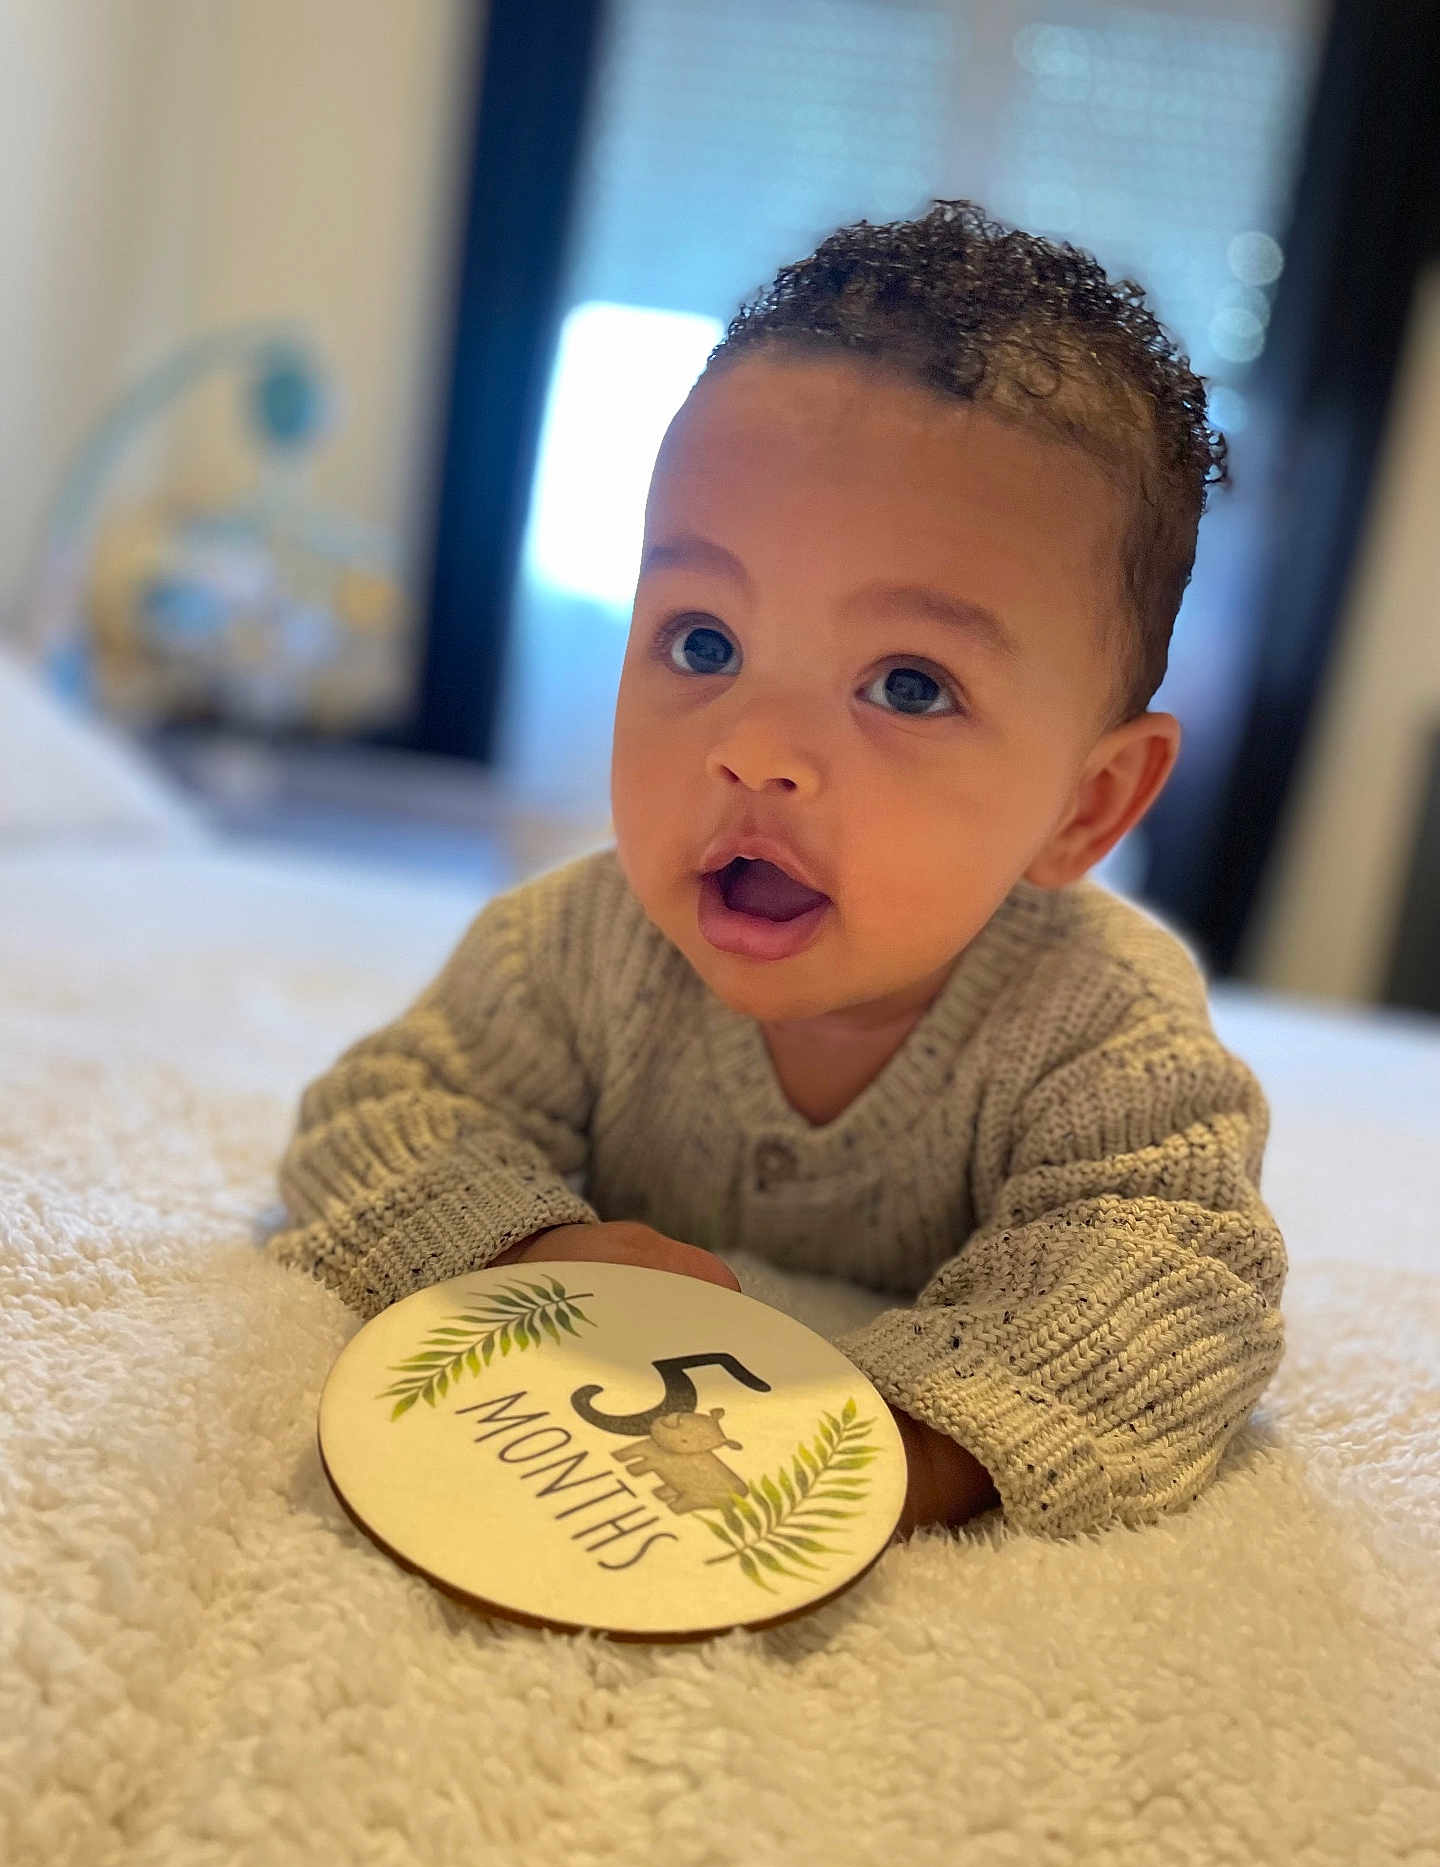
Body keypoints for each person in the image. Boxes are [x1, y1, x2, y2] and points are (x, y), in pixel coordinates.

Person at [269, 199, 1287, 1544]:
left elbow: (1169, 1280)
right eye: (702, 643)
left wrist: (904, 1444)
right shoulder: (575, 951)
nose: (757, 751)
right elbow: (383, 1116)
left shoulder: (1104, 1039)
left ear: (1085, 804)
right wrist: (527, 1257)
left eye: (908, 685)